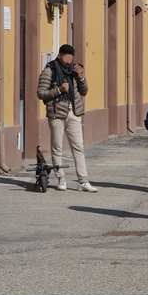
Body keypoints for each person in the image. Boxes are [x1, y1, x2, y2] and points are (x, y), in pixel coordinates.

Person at [36, 44, 97, 192]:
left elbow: (84, 91)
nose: (69, 62)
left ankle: (83, 181)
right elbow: (41, 93)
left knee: (78, 147)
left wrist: (81, 78)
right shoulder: (49, 70)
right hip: (57, 112)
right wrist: (59, 90)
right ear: (60, 55)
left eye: (71, 59)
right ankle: (61, 179)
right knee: (57, 147)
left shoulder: (74, 70)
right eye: (67, 58)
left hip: (74, 112)